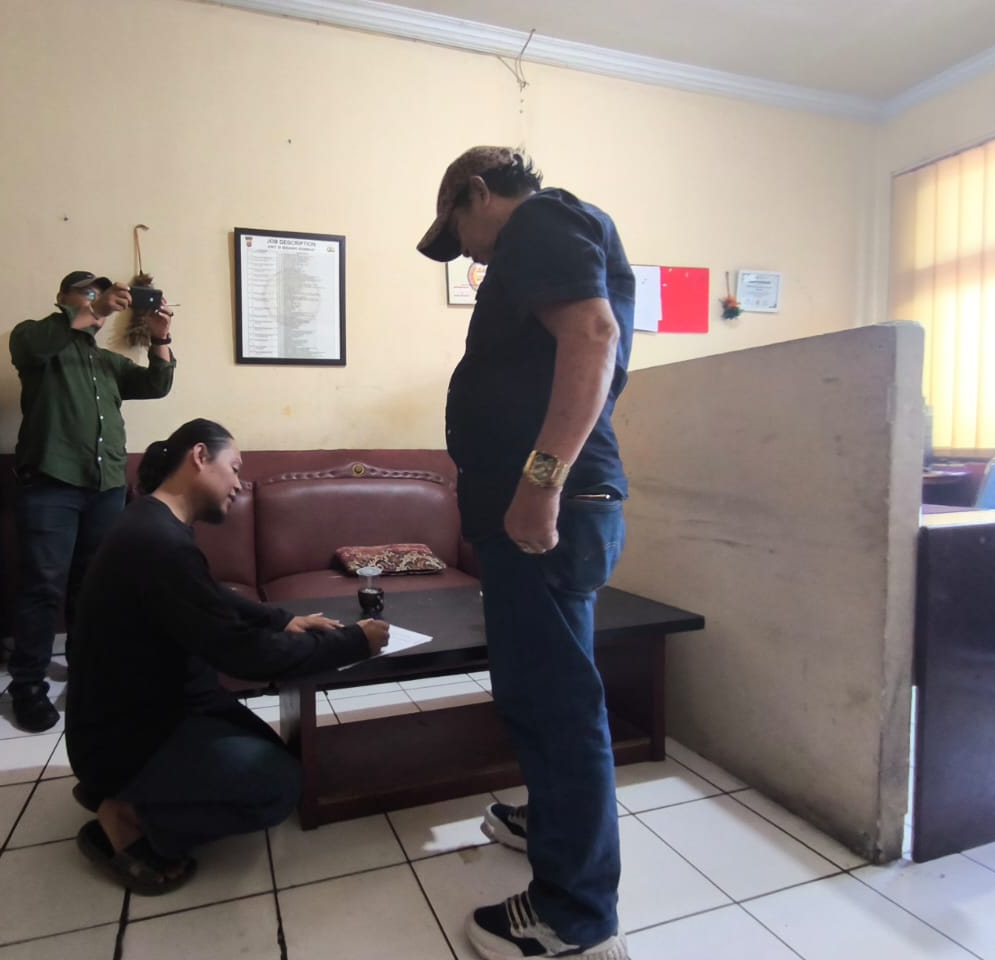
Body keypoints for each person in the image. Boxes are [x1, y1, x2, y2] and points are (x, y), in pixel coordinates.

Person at [417, 147, 635, 960]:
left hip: (548, 506)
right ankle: (552, 824)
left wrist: (541, 484)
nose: (467, 255)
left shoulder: (539, 221)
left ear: (478, 192)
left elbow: (593, 334)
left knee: (557, 703)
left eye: (459, 234)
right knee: (538, 689)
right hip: (536, 509)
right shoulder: (554, 234)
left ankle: (574, 915)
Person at [64, 418, 389, 895]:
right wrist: (354, 642)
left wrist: (282, 619)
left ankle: (130, 790)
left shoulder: (152, 523)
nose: (239, 483)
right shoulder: (157, 543)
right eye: (234, 467)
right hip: (128, 738)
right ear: (199, 457)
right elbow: (246, 655)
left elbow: (209, 596)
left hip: (158, 711)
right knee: (278, 787)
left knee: (273, 754)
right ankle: (128, 815)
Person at [8, 270, 177, 732]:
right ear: (62, 298)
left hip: (106, 486)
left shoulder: (106, 362)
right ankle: (27, 685)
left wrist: (161, 338)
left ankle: (86, 669)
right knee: (43, 586)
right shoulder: (35, 339)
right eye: (86, 293)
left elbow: (156, 384)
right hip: (51, 483)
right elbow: (32, 347)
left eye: (102, 294)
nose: (97, 300)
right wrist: (94, 309)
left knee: (94, 585)